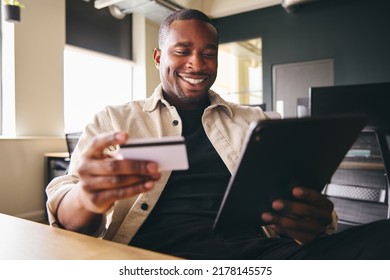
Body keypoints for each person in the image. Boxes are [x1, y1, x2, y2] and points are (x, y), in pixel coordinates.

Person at [46, 8, 390, 259]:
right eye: (182, 51)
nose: (197, 64)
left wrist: (317, 219)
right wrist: (88, 199)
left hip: (264, 255)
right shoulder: (115, 119)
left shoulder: (258, 121)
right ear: (157, 56)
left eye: (208, 54)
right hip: (150, 259)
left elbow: (312, 211)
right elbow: (64, 201)